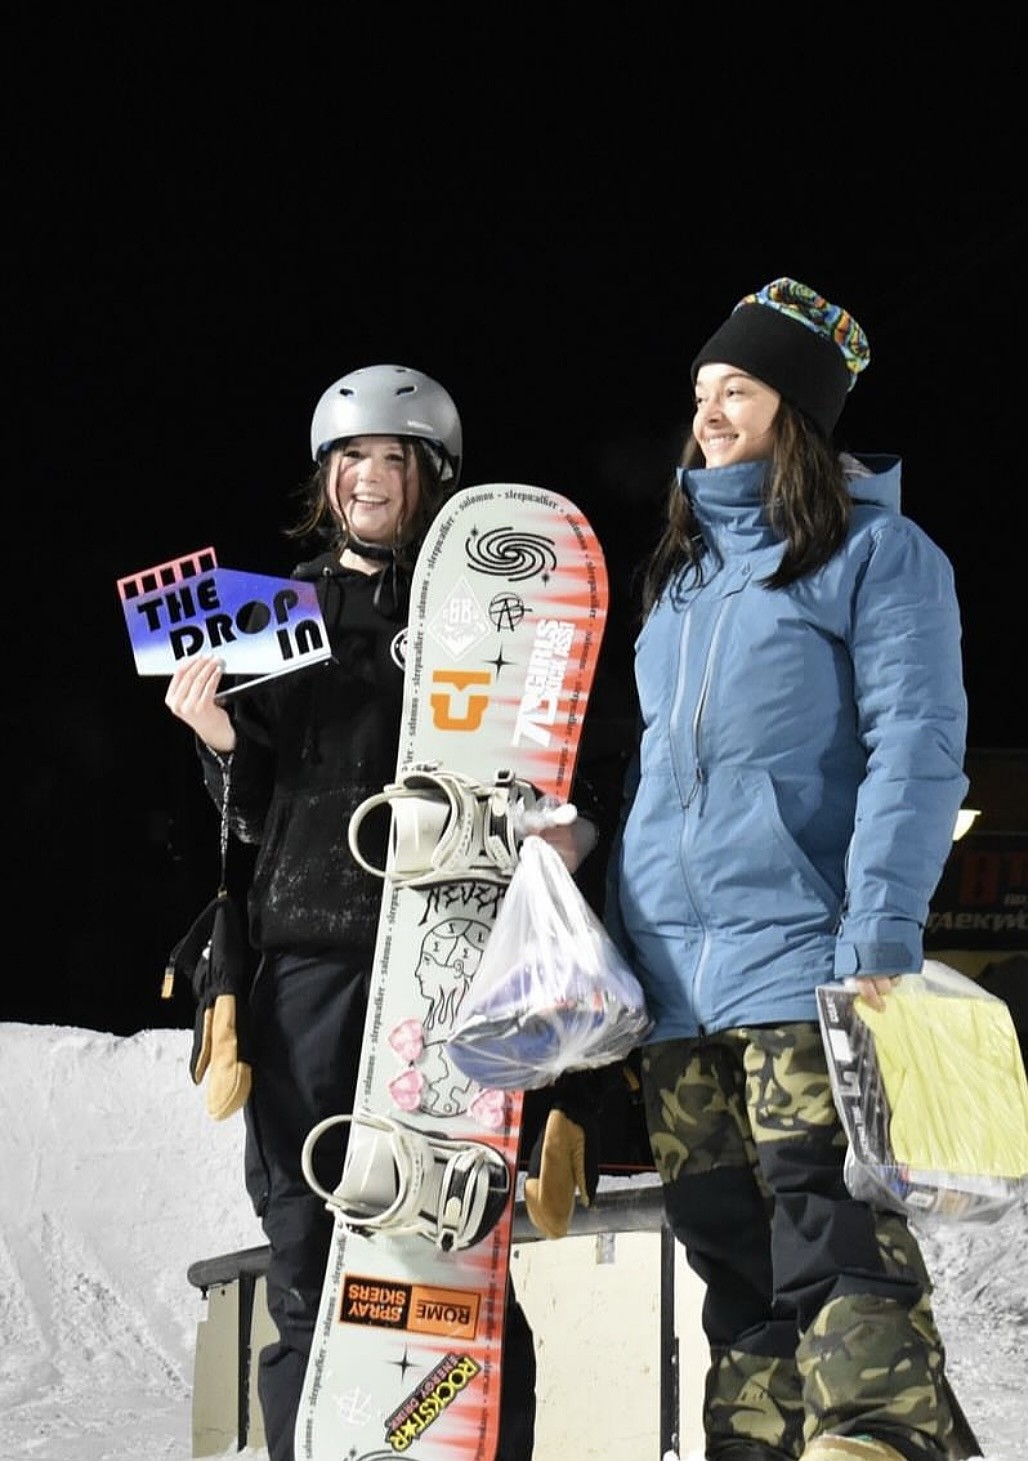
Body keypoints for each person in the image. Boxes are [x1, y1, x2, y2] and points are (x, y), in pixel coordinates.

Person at [165, 363, 567, 1461]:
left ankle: (470, 1442)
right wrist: (218, 742)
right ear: (324, 479)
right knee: (305, 1250)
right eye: (352, 459)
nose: (370, 477)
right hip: (305, 959)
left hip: (443, 960)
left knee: (454, 1255)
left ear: (430, 476)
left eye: (394, 458)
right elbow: (252, 816)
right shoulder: (275, 611)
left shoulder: (488, 610)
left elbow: (540, 752)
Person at [604, 280, 974, 1461]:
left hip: (801, 959)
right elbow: (665, 778)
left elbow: (914, 750)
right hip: (673, 978)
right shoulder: (678, 580)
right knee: (728, 1258)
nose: (709, 415)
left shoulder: (877, 555)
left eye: (740, 392)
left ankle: (876, 1439)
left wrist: (877, 938)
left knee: (833, 1233)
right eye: (703, 392)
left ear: (796, 414)